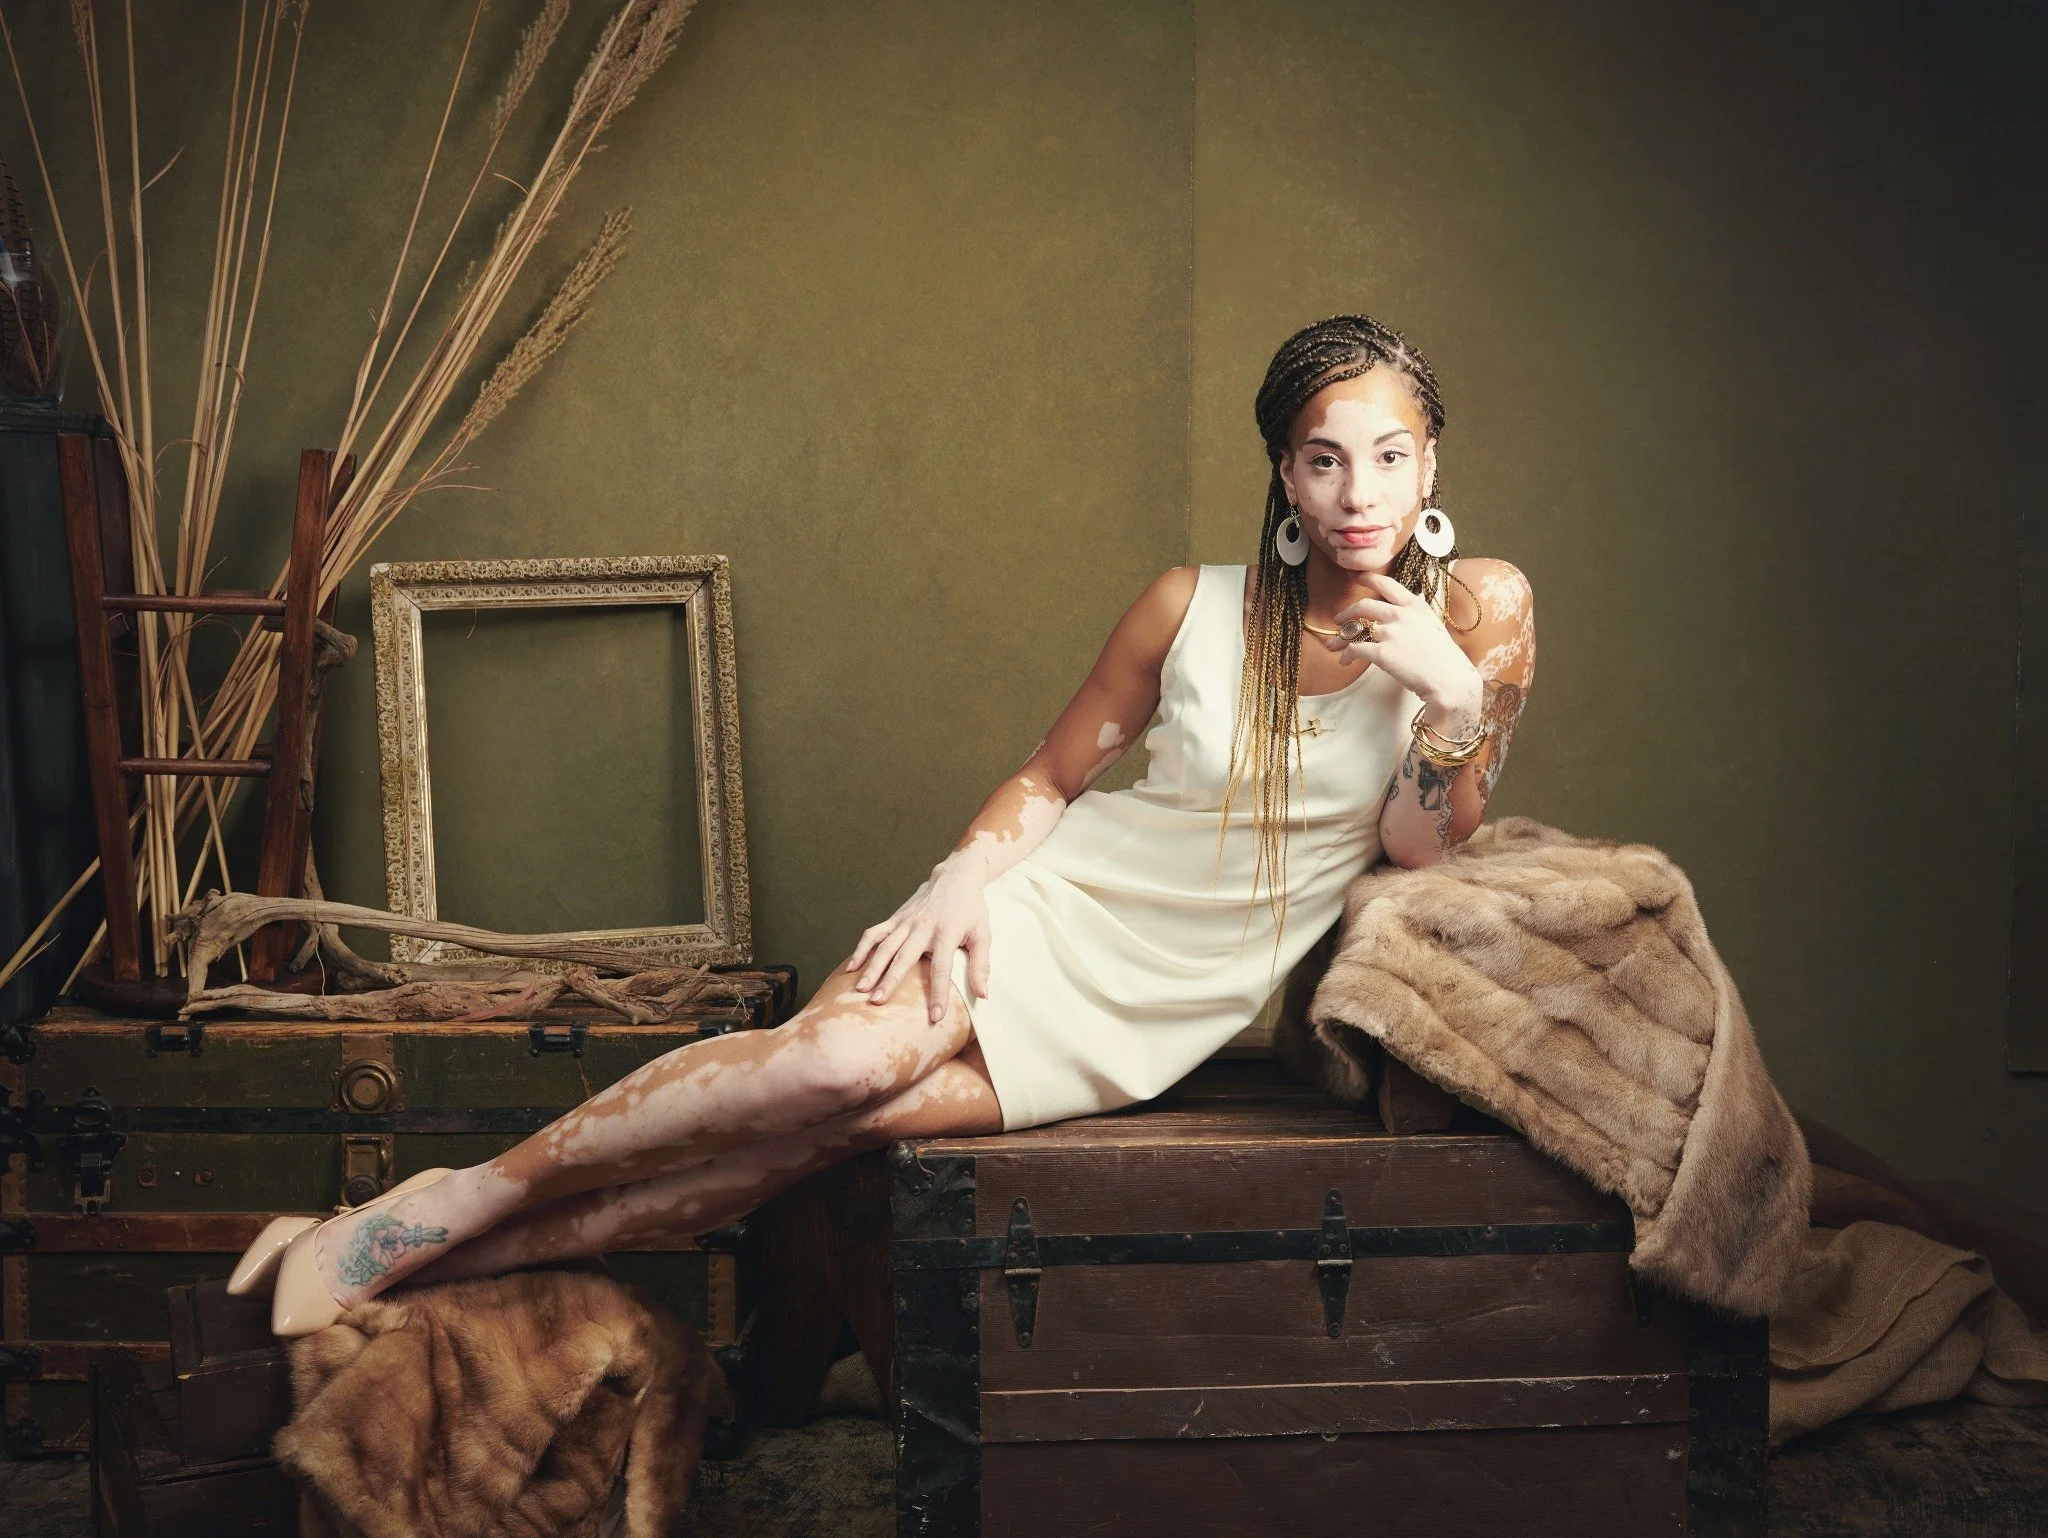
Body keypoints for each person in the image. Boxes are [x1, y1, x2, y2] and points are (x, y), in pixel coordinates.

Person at [231, 313, 1536, 1336]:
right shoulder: (1187, 602)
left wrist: (1450, 693)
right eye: (1323, 457)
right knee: (830, 1071)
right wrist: (963, 874)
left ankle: (443, 1257)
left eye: (1388, 456)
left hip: (1159, 1013)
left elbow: (1425, 844)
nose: (1357, 490)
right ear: (1283, 473)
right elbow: (1051, 775)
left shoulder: (1477, 612)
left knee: (835, 1130)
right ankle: (443, 1208)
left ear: (1431, 465)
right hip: (1053, 913)